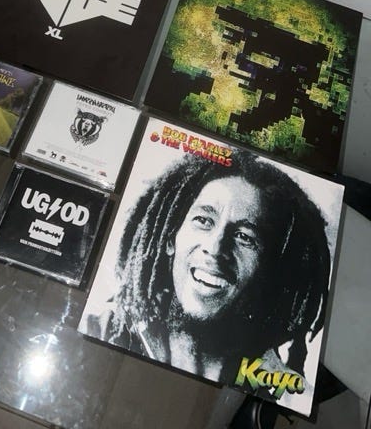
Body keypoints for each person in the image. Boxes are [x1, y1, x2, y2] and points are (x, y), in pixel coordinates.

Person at [83, 149, 331, 399]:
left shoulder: (289, 398)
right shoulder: (97, 331)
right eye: (203, 220)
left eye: (244, 237)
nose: (215, 248)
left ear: (267, 271)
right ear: (170, 238)